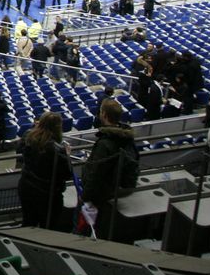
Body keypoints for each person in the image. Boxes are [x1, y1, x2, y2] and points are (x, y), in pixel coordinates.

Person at [81, 99, 140, 241]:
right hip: (116, 190)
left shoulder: (105, 144)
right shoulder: (127, 138)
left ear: (105, 115)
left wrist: (85, 196)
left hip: (102, 196)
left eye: (101, 111)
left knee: (93, 229)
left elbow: (96, 173)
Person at [18, 112, 71, 231]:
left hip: (26, 187)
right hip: (47, 193)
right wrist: (66, 155)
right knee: (48, 227)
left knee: (28, 222)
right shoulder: (58, 149)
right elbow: (67, 174)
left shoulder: (28, 137)